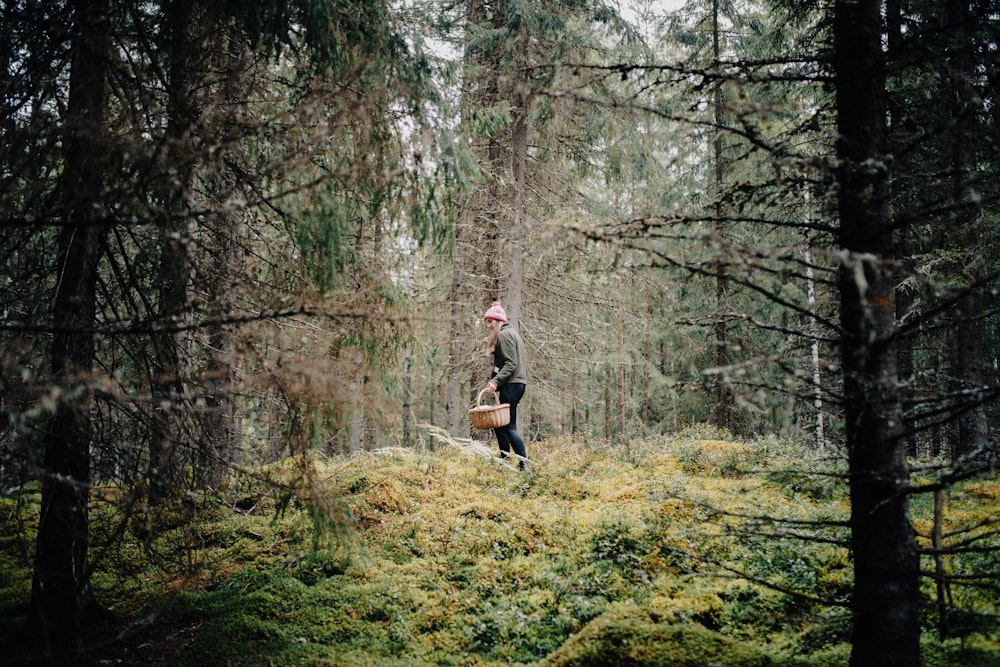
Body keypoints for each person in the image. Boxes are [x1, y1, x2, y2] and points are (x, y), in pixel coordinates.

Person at [482, 301, 528, 469]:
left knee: (509, 426)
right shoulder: (511, 334)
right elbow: (503, 365)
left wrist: (495, 381)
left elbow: (511, 364)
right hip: (514, 384)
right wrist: (494, 378)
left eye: (490, 322)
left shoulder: (505, 335)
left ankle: (525, 465)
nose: (489, 326)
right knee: (500, 426)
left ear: (498, 321)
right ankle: (505, 461)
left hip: (512, 385)